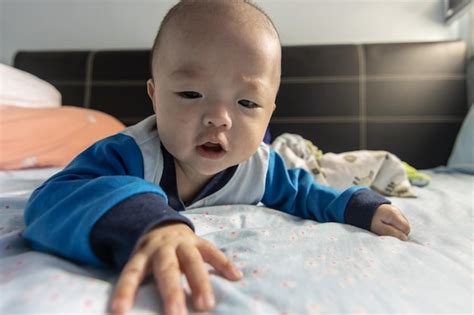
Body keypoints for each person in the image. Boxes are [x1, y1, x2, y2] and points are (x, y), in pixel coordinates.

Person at [23, 1, 411, 315]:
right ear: (154, 96)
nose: (218, 117)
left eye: (246, 103)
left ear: (268, 113)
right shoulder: (128, 154)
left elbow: (305, 192)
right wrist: (147, 222)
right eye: (191, 94)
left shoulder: (261, 166)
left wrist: (358, 207)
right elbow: (51, 199)